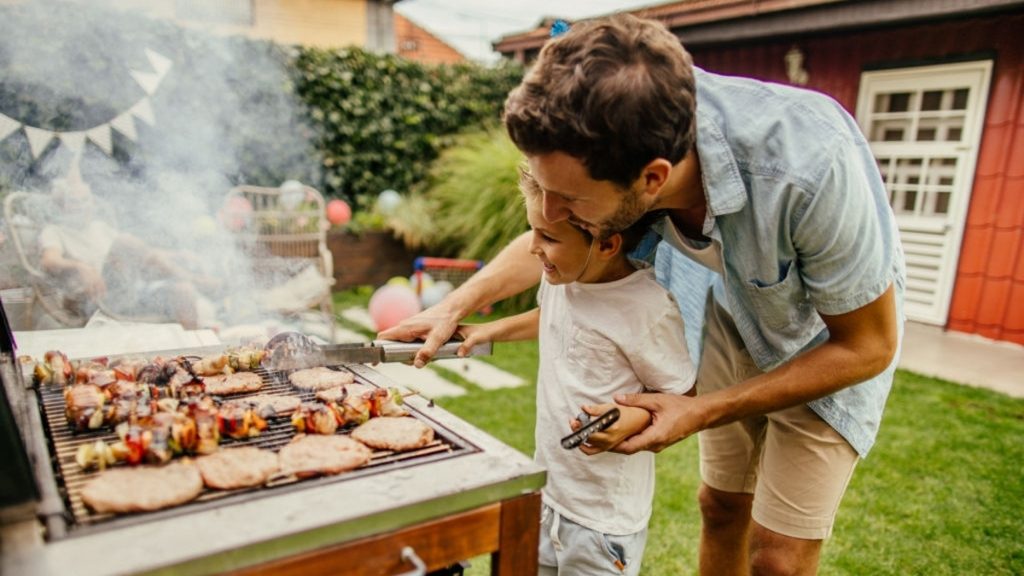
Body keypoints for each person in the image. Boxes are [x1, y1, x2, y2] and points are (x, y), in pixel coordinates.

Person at [380, 13, 905, 576]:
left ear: (652, 180)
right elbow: (552, 235)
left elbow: (867, 345)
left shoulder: (807, 167)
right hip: (731, 307)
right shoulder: (623, 124)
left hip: (826, 338)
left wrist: (702, 408)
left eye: (572, 202)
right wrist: (454, 305)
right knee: (720, 505)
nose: (550, 216)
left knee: (777, 558)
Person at [455, 170, 696, 575]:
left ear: (606, 243)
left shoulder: (647, 309)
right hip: (548, 495)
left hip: (602, 521)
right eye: (533, 231)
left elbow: (682, 396)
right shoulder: (562, 281)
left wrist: (631, 418)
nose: (533, 248)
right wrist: (489, 329)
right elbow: (553, 317)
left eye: (547, 238)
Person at [38, 175, 216, 329]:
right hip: (93, 298)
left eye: (86, 200)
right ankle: (192, 278)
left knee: (183, 291)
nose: (82, 206)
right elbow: (49, 260)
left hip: (125, 294)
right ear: (61, 205)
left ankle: (194, 357)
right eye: (75, 201)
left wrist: (177, 254)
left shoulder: (100, 228)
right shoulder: (54, 231)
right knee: (125, 241)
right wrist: (80, 266)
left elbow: (142, 253)